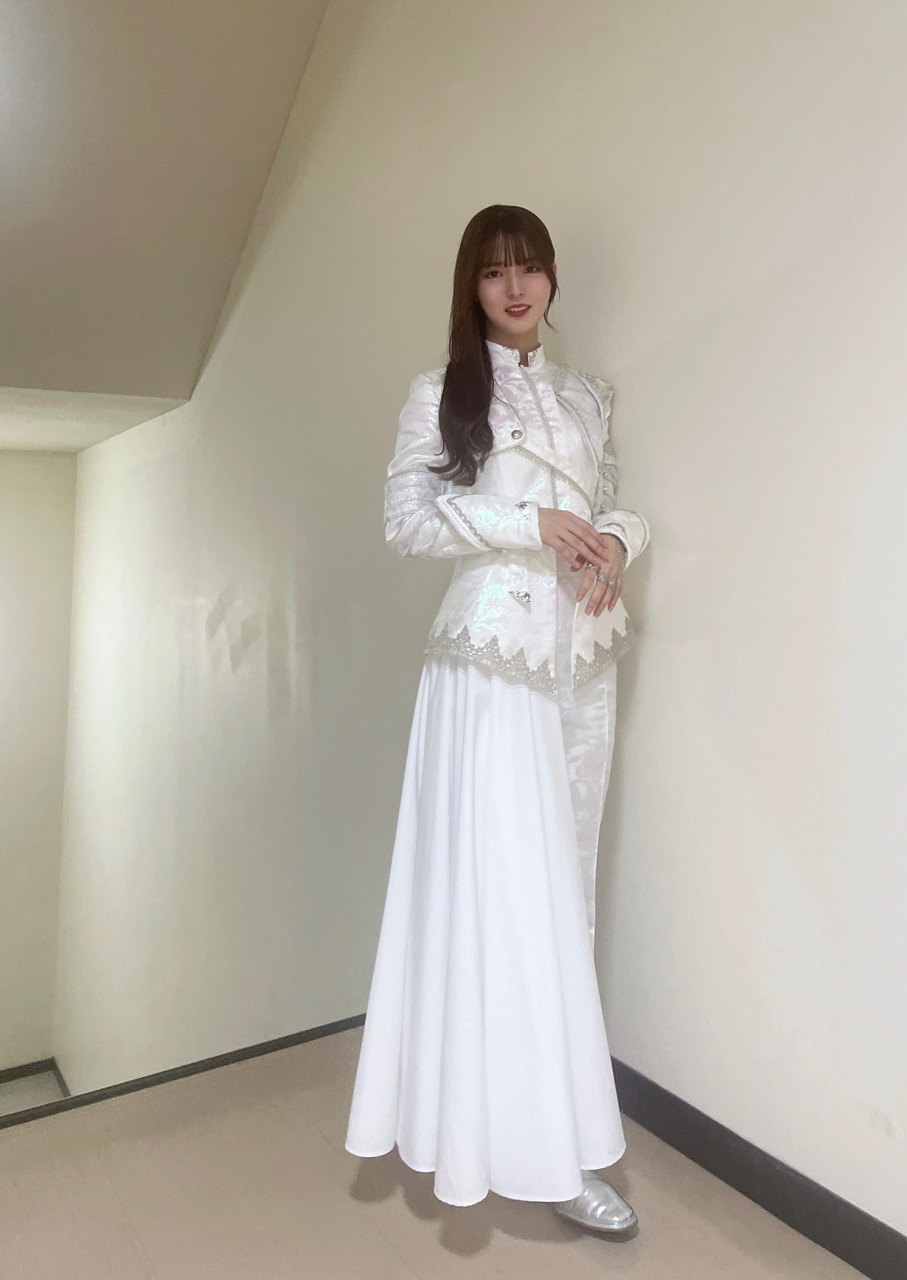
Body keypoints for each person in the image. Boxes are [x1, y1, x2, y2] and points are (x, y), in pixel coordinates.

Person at [345, 204, 650, 1236]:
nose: (515, 289)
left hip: (584, 660)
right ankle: (496, 1139)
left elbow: (614, 504)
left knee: (569, 896)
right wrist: (530, 523)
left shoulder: (587, 396)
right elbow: (404, 520)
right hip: (489, 663)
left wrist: (615, 544)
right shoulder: (440, 392)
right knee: (502, 896)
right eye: (493, 272)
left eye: (530, 269)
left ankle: (559, 1140)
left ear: (553, 279)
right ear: (470, 286)